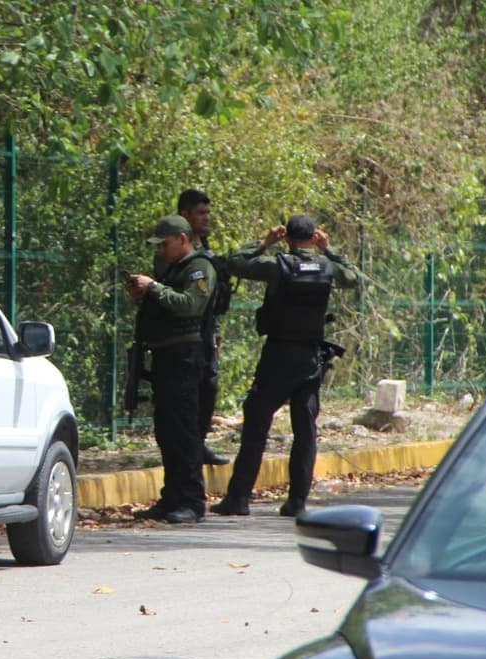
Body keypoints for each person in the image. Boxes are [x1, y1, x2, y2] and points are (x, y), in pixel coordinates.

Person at [210, 216, 360, 518]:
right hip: (310, 358)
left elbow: (235, 263)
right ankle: (297, 501)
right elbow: (354, 277)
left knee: (257, 423)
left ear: (287, 238)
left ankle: (239, 498)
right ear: (314, 238)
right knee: (305, 430)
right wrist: (328, 250)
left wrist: (264, 242)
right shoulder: (325, 267)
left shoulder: (278, 266)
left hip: (279, 355)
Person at [125, 214, 216, 524]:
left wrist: (154, 288)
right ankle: (172, 497)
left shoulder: (199, 267)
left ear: (182, 239)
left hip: (186, 359)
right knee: (167, 431)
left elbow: (191, 304)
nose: (161, 250)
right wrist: (146, 294)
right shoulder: (173, 268)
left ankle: (192, 500)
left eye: (165, 244)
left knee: (184, 432)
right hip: (166, 357)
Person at [176, 189, 232, 466]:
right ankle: (188, 449)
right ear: (185, 214)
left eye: (208, 212)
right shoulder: (175, 247)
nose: (206, 218)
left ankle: (199, 444)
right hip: (185, 332)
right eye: (200, 213)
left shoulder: (204, 247)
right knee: (188, 394)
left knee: (209, 386)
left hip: (206, 328)